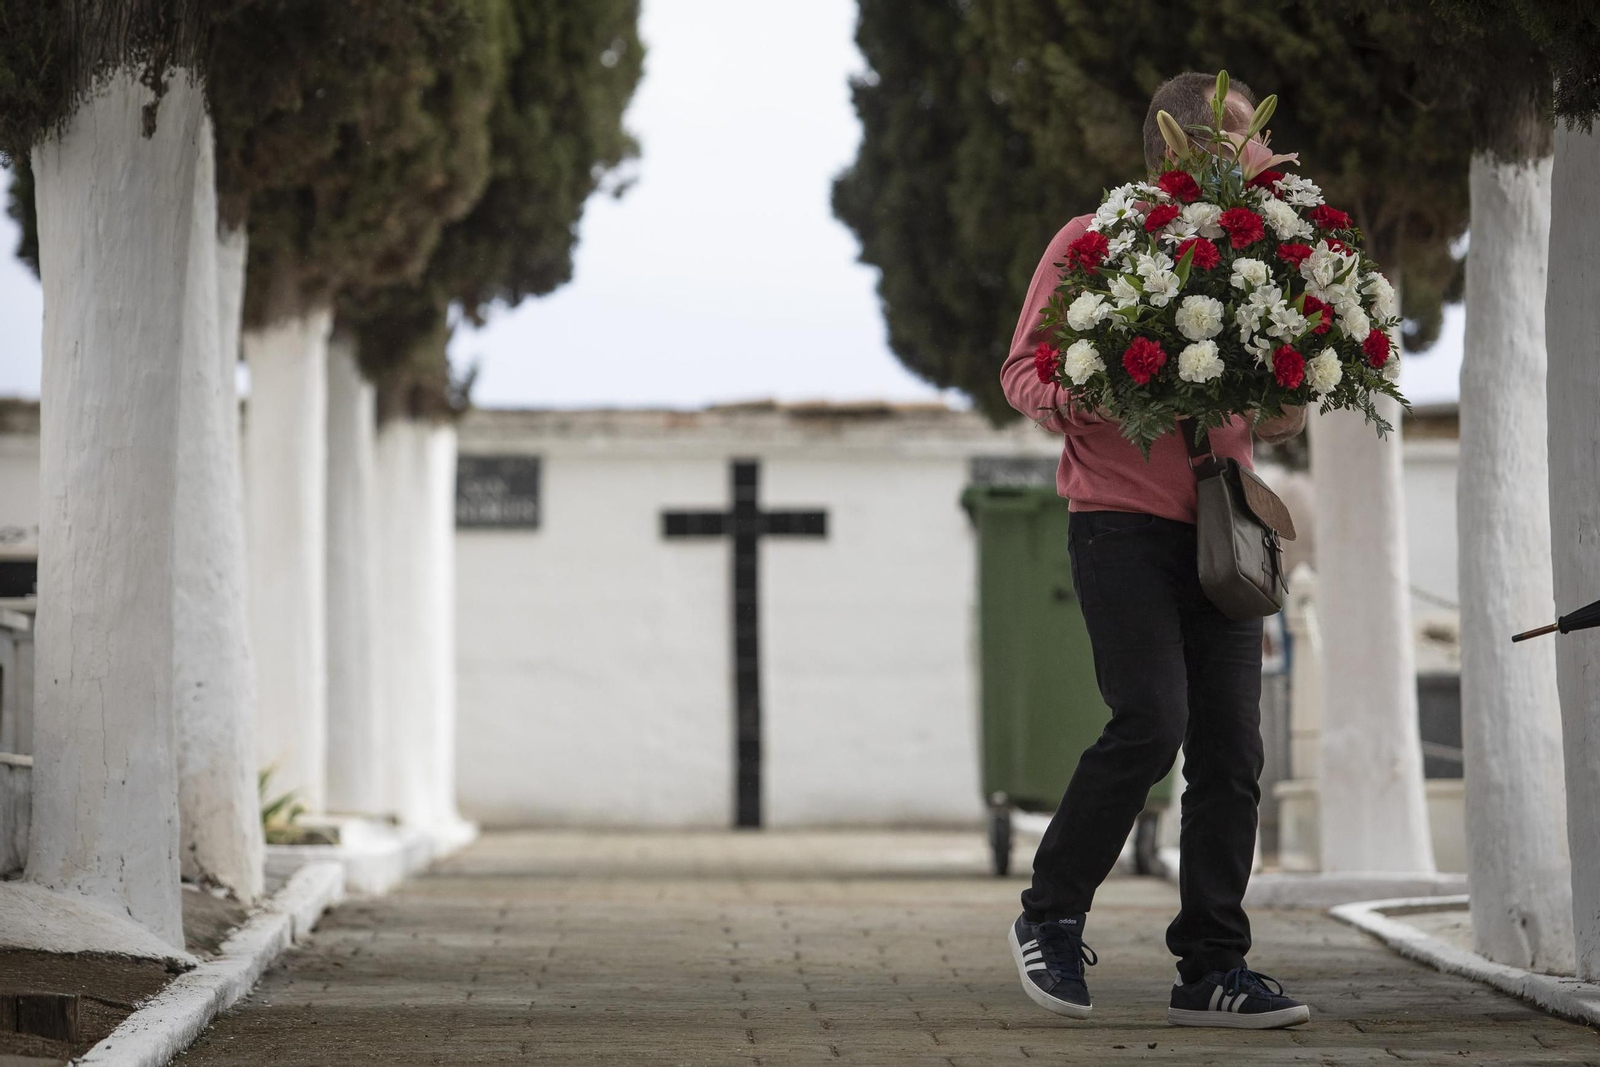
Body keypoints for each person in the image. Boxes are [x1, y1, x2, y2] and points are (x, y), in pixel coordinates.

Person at [1000, 71, 1311, 1030]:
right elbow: (1022, 372)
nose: (1248, 152)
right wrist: (1083, 395)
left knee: (1234, 752)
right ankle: (1050, 914)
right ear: (1177, 143)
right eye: (1228, 135)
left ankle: (1212, 966)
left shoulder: (1252, 253)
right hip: (1119, 525)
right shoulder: (1091, 245)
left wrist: (1287, 391)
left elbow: (1282, 415)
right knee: (1152, 720)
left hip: (1225, 536)